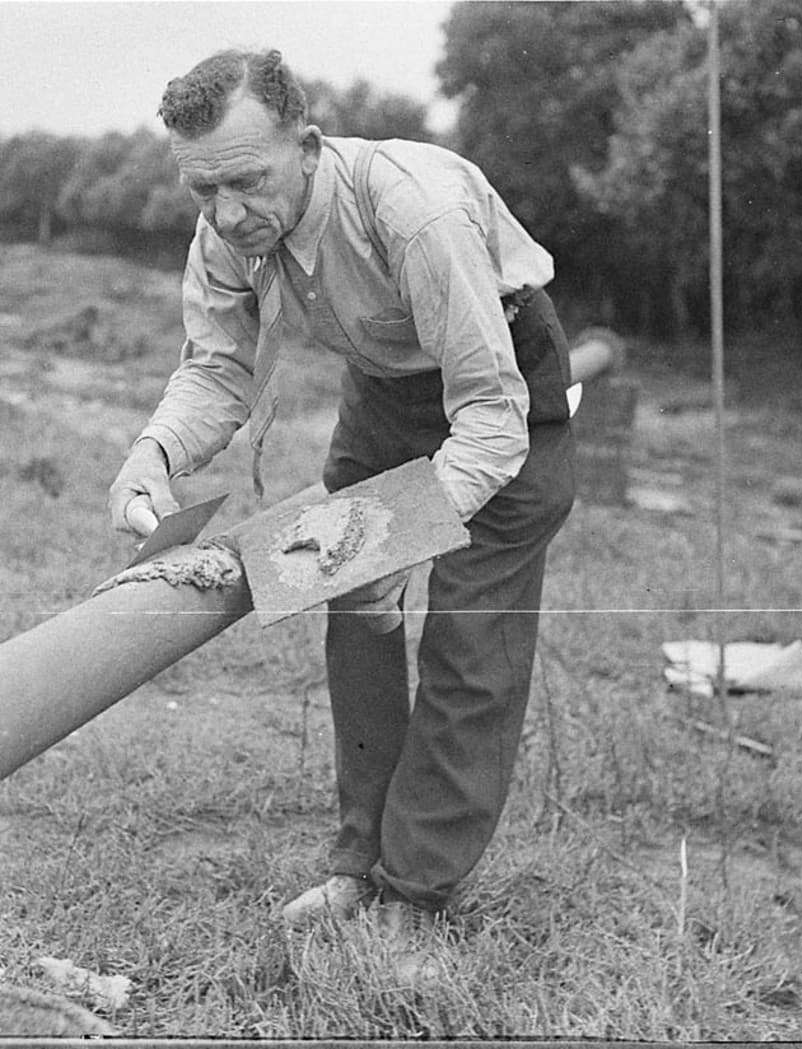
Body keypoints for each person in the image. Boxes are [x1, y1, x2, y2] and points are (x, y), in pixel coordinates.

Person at [107, 49, 575, 956]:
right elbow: (215, 368)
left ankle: (417, 894)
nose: (229, 214)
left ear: (309, 145)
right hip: (387, 387)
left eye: (247, 181)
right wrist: (151, 456)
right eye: (204, 191)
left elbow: (490, 414)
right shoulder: (226, 231)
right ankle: (359, 864)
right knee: (352, 601)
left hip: (503, 387)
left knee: (471, 640)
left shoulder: (413, 209)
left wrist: (403, 530)